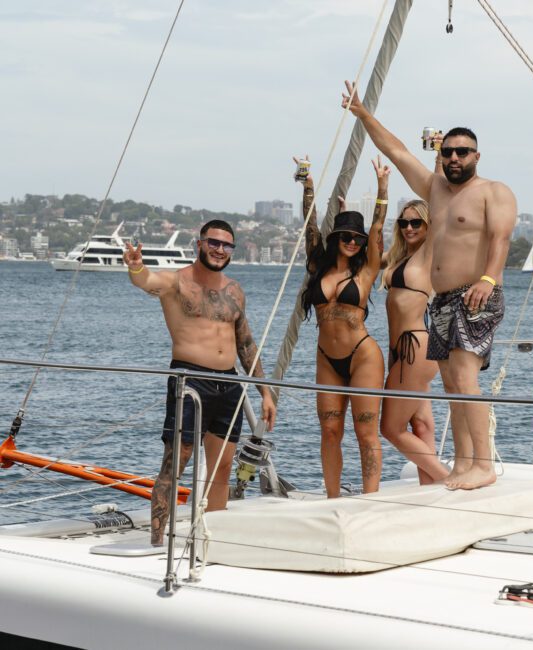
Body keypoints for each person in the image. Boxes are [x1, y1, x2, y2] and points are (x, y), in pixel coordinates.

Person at [342, 80, 517, 490]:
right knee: (453, 385)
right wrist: (363, 113)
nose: (454, 157)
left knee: (466, 380)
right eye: (448, 152)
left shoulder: (494, 192)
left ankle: (483, 465)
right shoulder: (435, 190)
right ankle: (462, 465)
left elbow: (500, 240)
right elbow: (398, 151)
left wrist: (488, 280)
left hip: (478, 292)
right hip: (441, 302)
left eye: (462, 151)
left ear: (477, 155)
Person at [123, 220, 276, 545]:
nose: (220, 249)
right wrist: (136, 268)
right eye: (214, 243)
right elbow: (146, 280)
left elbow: (246, 344)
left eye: (226, 245)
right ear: (200, 244)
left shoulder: (234, 291)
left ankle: (212, 538)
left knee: (221, 467)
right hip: (190, 379)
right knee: (176, 461)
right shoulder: (177, 282)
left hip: (229, 383)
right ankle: (157, 542)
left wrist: (266, 392)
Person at [296, 155, 387, 497]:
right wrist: (307, 184)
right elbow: (309, 224)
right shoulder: (317, 267)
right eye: (347, 236)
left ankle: (370, 498)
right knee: (330, 431)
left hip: (363, 356)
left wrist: (382, 187)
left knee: (366, 433)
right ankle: (331, 496)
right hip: (326, 358)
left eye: (358, 239)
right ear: (336, 237)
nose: (353, 242)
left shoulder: (365, 271)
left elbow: (377, 228)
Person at [380, 198, 449, 484]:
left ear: (428, 225)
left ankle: (448, 479)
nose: (409, 227)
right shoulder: (399, 256)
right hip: (402, 350)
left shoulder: (428, 253)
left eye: (416, 222)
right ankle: (431, 491)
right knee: (421, 425)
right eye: (403, 222)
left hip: (414, 346)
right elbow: (364, 253)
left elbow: (440, 203)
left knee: (391, 428)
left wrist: (436, 158)